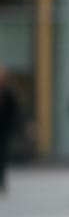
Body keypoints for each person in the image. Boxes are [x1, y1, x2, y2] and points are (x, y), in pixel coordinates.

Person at [0, 65, 19, 194]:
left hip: (4, 131)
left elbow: (14, 112)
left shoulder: (9, 93)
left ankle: (2, 182)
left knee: (2, 157)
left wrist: (12, 128)